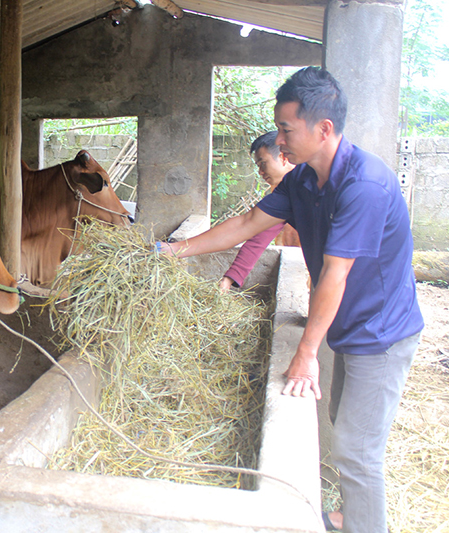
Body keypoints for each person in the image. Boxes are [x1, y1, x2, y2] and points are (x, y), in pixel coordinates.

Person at [159, 66, 423, 533]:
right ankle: (350, 517)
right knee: (346, 430)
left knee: (358, 453)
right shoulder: (302, 180)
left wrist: (305, 355)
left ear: (323, 129)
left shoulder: (363, 185)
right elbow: (247, 225)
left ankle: (365, 525)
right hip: (350, 326)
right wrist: (173, 250)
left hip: (380, 332)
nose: (279, 141)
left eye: (286, 129)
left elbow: (335, 276)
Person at [218, 131, 300, 292]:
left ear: (283, 157)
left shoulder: (310, 184)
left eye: (263, 163)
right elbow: (259, 238)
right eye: (258, 166)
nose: (261, 172)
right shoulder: (280, 195)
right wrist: (230, 278)